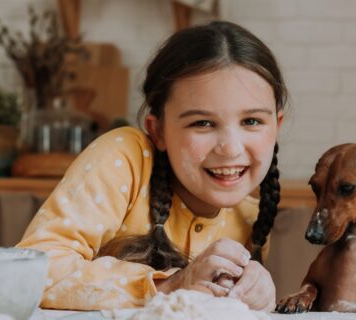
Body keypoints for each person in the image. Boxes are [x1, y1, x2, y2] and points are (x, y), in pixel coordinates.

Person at [17, 20, 287, 312]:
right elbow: (30, 272)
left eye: (251, 121)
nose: (230, 148)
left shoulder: (251, 220)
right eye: (203, 123)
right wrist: (168, 285)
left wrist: (256, 297)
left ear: (276, 126)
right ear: (158, 131)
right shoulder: (126, 159)